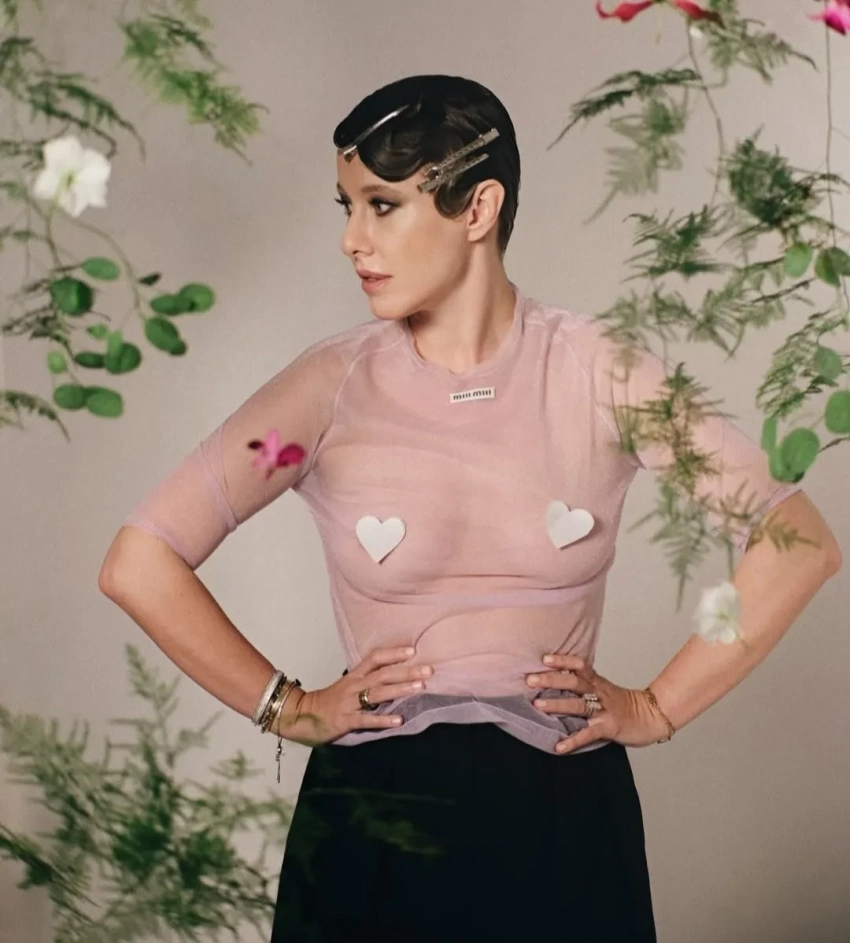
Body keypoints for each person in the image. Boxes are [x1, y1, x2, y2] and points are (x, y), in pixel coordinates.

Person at [98, 74, 842, 942]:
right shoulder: (326, 387)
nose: (350, 239)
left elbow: (798, 542)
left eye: (382, 205)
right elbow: (139, 561)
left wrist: (657, 706)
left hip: (563, 813)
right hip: (372, 821)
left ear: (478, 207)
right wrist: (289, 706)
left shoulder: (600, 371)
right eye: (347, 206)